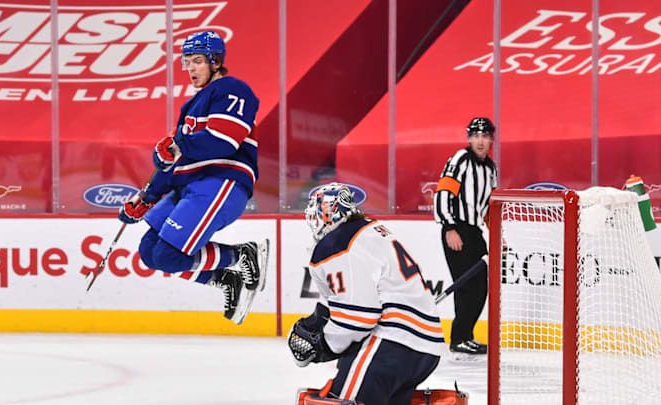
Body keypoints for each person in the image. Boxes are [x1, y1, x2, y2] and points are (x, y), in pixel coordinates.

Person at [117, 30, 268, 325]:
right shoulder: (190, 106)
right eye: (187, 62)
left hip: (220, 180)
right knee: (150, 253)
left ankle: (242, 255)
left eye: (197, 61)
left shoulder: (233, 89)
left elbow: (224, 141)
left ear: (215, 62)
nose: (190, 69)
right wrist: (147, 198)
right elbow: (177, 160)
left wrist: (176, 145)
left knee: (167, 253)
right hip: (190, 184)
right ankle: (226, 279)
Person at [288, 183, 445, 405]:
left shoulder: (337, 243)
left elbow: (358, 318)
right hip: (425, 348)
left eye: (317, 213)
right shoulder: (369, 230)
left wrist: (325, 346)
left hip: (390, 344)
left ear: (329, 213)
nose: (314, 221)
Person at [433, 117, 497, 355]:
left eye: (485, 136)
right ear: (469, 138)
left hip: (474, 231)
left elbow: (490, 205)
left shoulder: (491, 168)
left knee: (481, 286)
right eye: (476, 136)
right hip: (456, 228)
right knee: (466, 286)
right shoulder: (460, 160)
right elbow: (443, 192)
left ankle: (466, 335)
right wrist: (450, 227)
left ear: (491, 139)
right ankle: (459, 338)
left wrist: (498, 232)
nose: (480, 141)